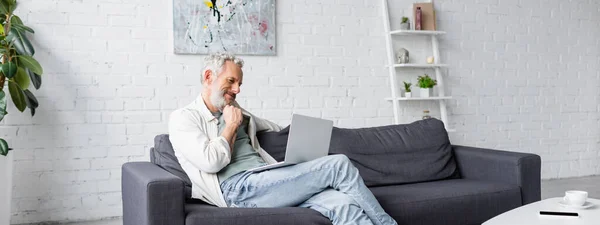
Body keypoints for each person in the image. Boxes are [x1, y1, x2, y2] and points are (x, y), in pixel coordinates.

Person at [168, 52, 398, 225]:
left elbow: (270, 127)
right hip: (238, 189)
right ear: (209, 77)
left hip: (268, 181)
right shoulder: (183, 118)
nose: (237, 89)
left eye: (239, 83)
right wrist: (231, 125)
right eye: (231, 81)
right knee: (338, 165)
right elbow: (212, 161)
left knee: (342, 203)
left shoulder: (235, 110)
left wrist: (297, 134)